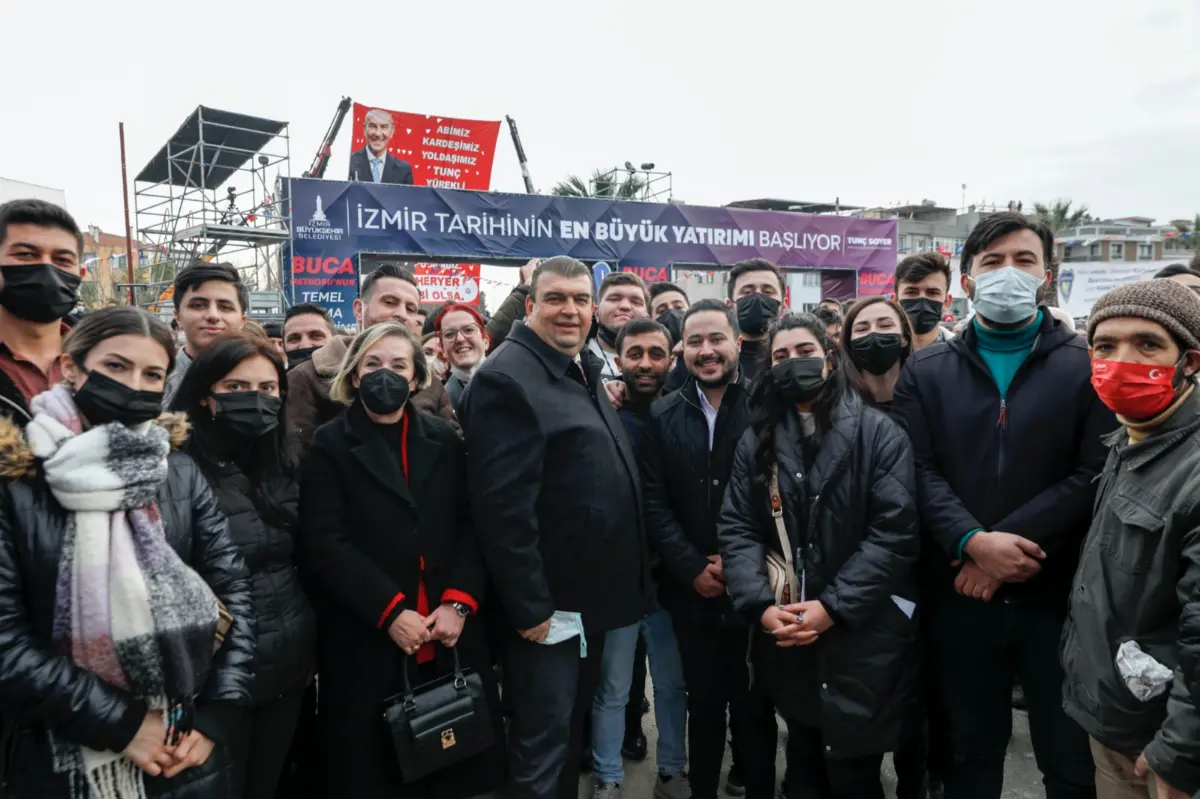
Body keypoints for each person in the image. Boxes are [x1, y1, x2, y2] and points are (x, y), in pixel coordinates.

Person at [893, 212, 1114, 799]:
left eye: (1023, 260)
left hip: (1056, 593)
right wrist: (971, 543)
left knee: (1069, 761)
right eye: (992, 262)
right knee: (969, 755)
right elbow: (917, 470)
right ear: (967, 279)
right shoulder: (926, 369)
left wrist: (1003, 545)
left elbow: (1094, 472)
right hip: (961, 594)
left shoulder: (1086, 364)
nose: (1008, 273)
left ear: (1047, 275)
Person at [0, 307, 255, 798]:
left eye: (152, 374)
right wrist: (122, 724)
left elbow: (233, 588)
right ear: (72, 368)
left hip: (187, 744)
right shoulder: (18, 479)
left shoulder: (176, 470)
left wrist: (219, 713)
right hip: (67, 756)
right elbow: (7, 641)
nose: (135, 383)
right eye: (116, 367)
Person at [460, 256, 652, 799]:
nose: (569, 310)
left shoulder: (575, 369)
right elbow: (501, 509)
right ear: (531, 305)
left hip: (584, 605)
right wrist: (532, 609)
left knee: (566, 737)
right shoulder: (508, 378)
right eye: (556, 298)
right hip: (548, 615)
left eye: (579, 299)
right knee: (543, 747)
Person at [719, 312, 921, 799]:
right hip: (787, 627)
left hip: (859, 629)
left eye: (804, 352)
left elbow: (893, 533)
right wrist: (761, 606)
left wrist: (832, 608)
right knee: (804, 760)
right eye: (781, 357)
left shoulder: (879, 435)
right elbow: (739, 527)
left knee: (854, 772)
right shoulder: (758, 439)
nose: (794, 364)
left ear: (830, 359)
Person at [297, 322, 503, 798]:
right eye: (372, 364)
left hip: (445, 630)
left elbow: (471, 525)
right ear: (353, 376)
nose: (383, 374)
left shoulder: (444, 440)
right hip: (372, 633)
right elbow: (325, 541)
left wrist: (458, 603)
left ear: (415, 378)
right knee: (375, 771)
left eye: (397, 365)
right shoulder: (330, 444)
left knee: (453, 765)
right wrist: (389, 611)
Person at [1062, 280, 1200, 799]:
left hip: (1160, 745)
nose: (1121, 360)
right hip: (1121, 715)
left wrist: (1180, 753)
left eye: (1147, 344)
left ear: (1188, 361)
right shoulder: (1130, 439)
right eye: (1104, 346)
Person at [168, 333, 316, 799]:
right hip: (212, 679)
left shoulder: (285, 461)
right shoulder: (177, 469)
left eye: (268, 388)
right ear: (206, 397)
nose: (255, 399)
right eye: (235, 388)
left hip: (287, 665)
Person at [642, 299, 778, 799]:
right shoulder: (662, 414)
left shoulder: (767, 408)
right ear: (682, 351)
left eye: (715, 339)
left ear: (736, 341)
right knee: (703, 702)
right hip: (691, 586)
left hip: (757, 584)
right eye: (694, 341)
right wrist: (692, 565)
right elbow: (654, 502)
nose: (707, 351)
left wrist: (745, 565)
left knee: (754, 703)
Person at [591, 317, 691, 799]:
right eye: (635, 354)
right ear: (619, 358)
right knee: (613, 687)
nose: (645, 363)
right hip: (618, 576)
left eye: (656, 353)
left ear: (671, 358)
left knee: (671, 685)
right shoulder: (601, 408)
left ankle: (672, 770)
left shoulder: (683, 410)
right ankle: (608, 777)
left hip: (672, 575)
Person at [286, 263, 457, 457]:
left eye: (411, 309)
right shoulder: (306, 378)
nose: (401, 314)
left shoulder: (430, 382)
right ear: (359, 309)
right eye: (390, 302)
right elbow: (297, 461)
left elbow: (452, 452)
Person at [0, 199, 85, 423]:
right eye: (26, 254)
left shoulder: (110, 356)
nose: (47, 268)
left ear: (80, 273)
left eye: (62, 260)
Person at [165, 262, 248, 405]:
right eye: (198, 305)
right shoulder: (156, 384)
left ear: (242, 321)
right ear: (178, 317)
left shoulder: (265, 381)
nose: (213, 316)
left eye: (225, 307)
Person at [841, 297, 914, 413]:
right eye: (861, 329)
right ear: (849, 342)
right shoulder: (837, 401)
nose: (873, 333)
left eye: (885, 325)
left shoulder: (924, 395)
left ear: (904, 338)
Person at [727, 259, 786, 383]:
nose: (758, 298)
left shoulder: (792, 356)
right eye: (747, 292)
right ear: (730, 305)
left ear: (784, 306)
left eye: (768, 292)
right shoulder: (718, 358)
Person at [587, 272, 651, 382]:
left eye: (636, 302)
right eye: (614, 299)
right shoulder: (572, 356)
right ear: (596, 312)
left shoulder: (662, 362)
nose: (625, 306)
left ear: (647, 317)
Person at [433, 303, 490, 412]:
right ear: (442, 348)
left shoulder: (512, 380)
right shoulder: (441, 403)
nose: (460, 339)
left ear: (485, 341)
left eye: (468, 330)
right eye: (449, 334)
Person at [894, 252, 955, 349]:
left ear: (947, 301)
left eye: (932, 293)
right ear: (895, 301)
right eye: (912, 292)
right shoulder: (880, 353)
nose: (922, 299)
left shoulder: (964, 354)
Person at [347, 108, 414, 185]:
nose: (378, 134)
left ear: (392, 131)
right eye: (372, 126)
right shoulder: (350, 162)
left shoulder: (403, 170)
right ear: (364, 129)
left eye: (384, 127)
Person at [282, 302, 334, 370]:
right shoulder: (275, 379)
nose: (305, 346)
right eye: (294, 339)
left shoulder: (350, 378)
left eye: (316, 336)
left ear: (334, 340)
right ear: (283, 347)